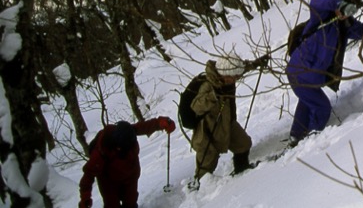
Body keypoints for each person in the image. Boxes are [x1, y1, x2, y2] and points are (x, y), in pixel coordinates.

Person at [286, 0, 363, 147]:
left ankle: (296, 137)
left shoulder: (345, 24)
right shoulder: (322, 14)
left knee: (307, 103)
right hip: (300, 71)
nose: (349, 15)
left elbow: (360, 32)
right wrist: (337, 6)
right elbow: (316, 1)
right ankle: (311, 140)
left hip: (311, 77)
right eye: (349, 9)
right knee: (322, 107)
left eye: (354, 11)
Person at [190, 54, 257, 188]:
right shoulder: (208, 84)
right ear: (226, 75)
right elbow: (196, 106)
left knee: (243, 143)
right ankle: (198, 190)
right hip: (209, 129)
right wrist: (213, 96)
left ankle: (242, 170)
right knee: (207, 162)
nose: (237, 79)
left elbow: (241, 69)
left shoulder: (228, 76)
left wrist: (257, 63)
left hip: (227, 122)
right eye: (235, 77)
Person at [79, 116, 176, 208]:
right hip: (109, 182)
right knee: (112, 205)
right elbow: (88, 174)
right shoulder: (102, 150)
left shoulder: (127, 133)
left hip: (130, 176)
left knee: (130, 202)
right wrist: (85, 197)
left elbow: (142, 127)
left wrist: (160, 122)